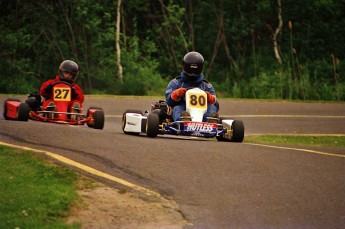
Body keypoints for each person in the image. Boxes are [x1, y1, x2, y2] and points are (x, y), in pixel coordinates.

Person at [165, 51, 219, 122]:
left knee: (211, 107)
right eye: (190, 69)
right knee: (177, 108)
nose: (193, 71)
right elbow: (168, 101)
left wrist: (210, 98)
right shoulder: (176, 83)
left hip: (202, 111)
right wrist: (176, 94)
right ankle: (184, 120)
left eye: (195, 69)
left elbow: (216, 106)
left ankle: (211, 121)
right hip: (184, 108)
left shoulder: (207, 86)